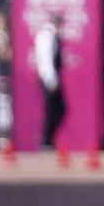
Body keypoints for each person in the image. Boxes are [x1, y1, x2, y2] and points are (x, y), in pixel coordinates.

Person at [34, 13, 65, 148]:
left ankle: (48, 139)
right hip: (48, 77)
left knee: (57, 109)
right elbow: (46, 60)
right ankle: (46, 140)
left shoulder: (51, 36)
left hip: (50, 77)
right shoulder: (47, 36)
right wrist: (51, 80)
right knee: (51, 110)